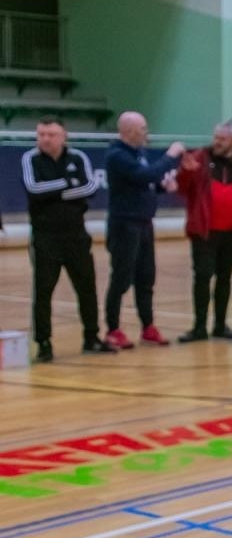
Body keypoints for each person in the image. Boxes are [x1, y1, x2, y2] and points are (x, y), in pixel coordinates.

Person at [21, 117, 116, 361]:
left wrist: (55, 190)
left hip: (76, 234)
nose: (45, 139)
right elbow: (33, 189)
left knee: (87, 287)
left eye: (51, 134)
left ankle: (92, 337)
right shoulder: (30, 159)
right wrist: (67, 184)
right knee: (43, 291)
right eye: (41, 134)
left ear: (64, 136)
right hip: (45, 237)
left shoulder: (78, 157)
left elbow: (91, 188)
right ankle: (44, 343)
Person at [103, 110, 185, 348]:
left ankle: (147, 326)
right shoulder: (117, 155)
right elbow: (143, 176)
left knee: (146, 277)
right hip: (124, 224)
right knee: (121, 278)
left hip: (144, 223)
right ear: (128, 131)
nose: (146, 134)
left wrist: (162, 187)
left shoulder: (139, 154)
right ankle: (113, 329)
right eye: (143, 129)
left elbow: (145, 182)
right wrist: (170, 157)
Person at [174, 121, 232, 342]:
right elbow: (181, 189)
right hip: (204, 232)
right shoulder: (198, 159)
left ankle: (221, 326)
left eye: (222, 138)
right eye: (216, 137)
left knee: (225, 278)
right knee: (202, 277)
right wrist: (186, 172)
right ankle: (199, 328)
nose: (217, 142)